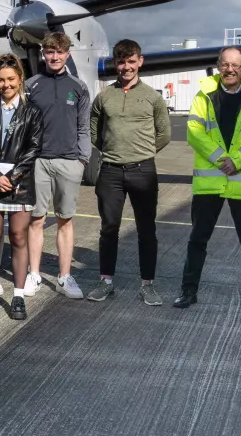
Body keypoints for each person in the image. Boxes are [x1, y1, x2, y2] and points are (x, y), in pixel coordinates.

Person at [176, 46, 241, 314]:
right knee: (198, 239)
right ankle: (188, 291)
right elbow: (194, 132)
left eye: (235, 65)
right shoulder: (203, 96)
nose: (229, 69)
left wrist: (239, 160)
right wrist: (223, 159)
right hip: (210, 182)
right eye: (225, 64)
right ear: (218, 65)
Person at [87, 39, 170, 305]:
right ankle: (106, 281)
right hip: (110, 171)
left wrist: (141, 152)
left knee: (146, 229)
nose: (126, 67)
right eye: (121, 62)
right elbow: (94, 131)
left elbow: (164, 134)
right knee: (109, 228)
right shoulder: (104, 97)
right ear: (116, 63)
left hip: (143, 170)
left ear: (140, 62)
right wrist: (114, 152)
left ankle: (147, 285)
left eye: (131, 61)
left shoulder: (153, 97)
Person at [0, 54, 42, 320]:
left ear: (20, 79)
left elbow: (34, 147)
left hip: (20, 184)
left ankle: (18, 296)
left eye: (11, 79)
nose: (6, 84)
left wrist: (12, 176)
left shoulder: (33, 111)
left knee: (18, 237)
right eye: (0, 80)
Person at [24, 32, 90, 299]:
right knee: (36, 219)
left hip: (69, 161)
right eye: (50, 52)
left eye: (59, 52)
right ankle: (34, 274)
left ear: (67, 54)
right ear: (43, 53)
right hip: (38, 161)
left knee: (65, 219)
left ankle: (64, 277)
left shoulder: (79, 86)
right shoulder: (31, 85)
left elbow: (84, 127)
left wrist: (82, 160)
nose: (54, 57)